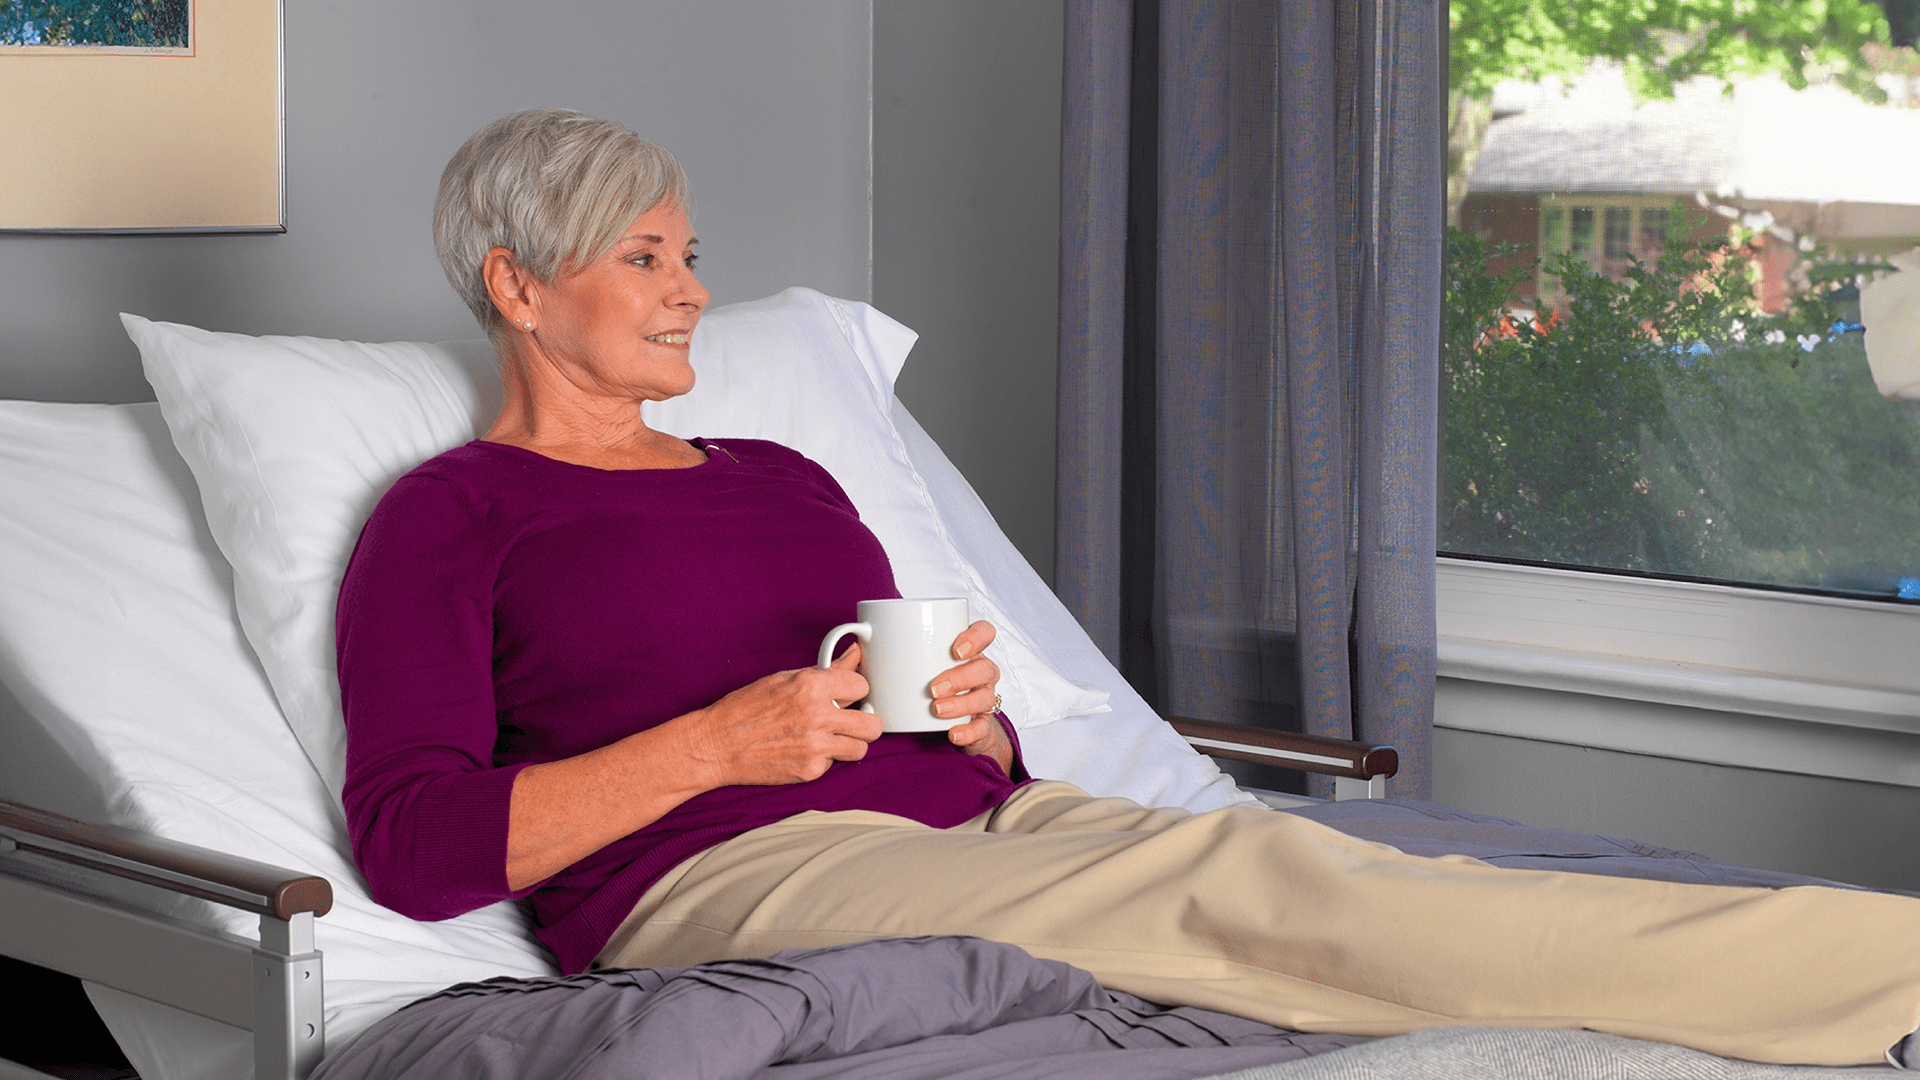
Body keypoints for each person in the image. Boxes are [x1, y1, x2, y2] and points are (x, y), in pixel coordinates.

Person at [336, 109, 1920, 1067]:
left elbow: (948, 724)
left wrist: (974, 730)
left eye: (694, 254)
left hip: (980, 823)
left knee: (1325, 880)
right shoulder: (457, 515)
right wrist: (717, 746)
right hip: (727, 884)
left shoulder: (780, 475)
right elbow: (413, 849)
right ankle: (1885, 977)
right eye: (648, 260)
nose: (693, 291)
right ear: (519, 286)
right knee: (1264, 896)